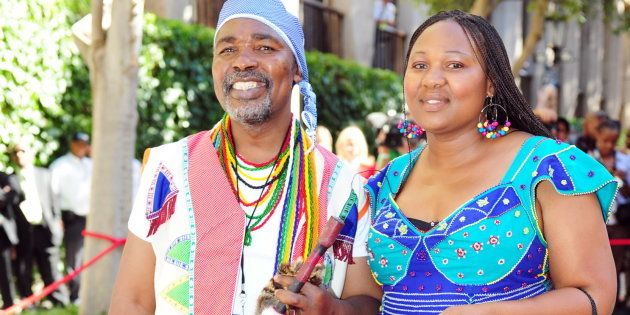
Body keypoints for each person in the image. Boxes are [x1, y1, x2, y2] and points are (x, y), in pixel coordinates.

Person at [110, 1, 379, 314]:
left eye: (264, 47)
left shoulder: (343, 186)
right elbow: (132, 301)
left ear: (296, 69)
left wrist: (331, 310)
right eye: (227, 50)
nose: (242, 61)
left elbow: (368, 302)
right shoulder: (167, 168)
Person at [363, 10, 618, 314]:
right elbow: (365, 300)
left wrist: (495, 312)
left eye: (455, 65)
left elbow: (594, 296)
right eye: (419, 65)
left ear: (491, 83)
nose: (431, 79)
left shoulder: (547, 169)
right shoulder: (386, 183)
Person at [8, 144, 69, 306]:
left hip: (44, 229)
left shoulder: (44, 174)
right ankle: (29, 304)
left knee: (50, 268)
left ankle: (60, 301)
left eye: (23, 151)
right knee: (23, 270)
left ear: (31, 153)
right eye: (16, 152)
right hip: (23, 232)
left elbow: (54, 201)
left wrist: (57, 223)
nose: (19, 155)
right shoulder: (9, 179)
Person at [50, 131, 92, 304]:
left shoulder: (92, 164)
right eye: (78, 143)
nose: (81, 147)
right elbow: (53, 194)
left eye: (84, 144)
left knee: (91, 256)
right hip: (72, 217)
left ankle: (88, 292)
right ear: (72, 144)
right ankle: (75, 295)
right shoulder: (59, 165)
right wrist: (56, 217)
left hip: (92, 217)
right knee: (74, 258)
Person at [0, 168, 18, 309]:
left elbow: (14, 196)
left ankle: (9, 305)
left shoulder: (4, 177)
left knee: (6, 272)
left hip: (2, 235)